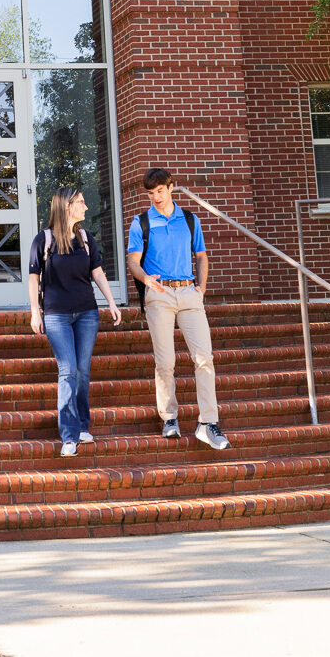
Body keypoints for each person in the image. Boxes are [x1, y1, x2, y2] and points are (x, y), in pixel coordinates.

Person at [125, 168, 228, 450]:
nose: (156, 197)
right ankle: (169, 417)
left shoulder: (190, 220)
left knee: (204, 357)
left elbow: (202, 257)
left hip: (189, 293)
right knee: (165, 361)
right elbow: (133, 261)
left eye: (160, 191)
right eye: (150, 193)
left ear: (172, 188)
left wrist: (202, 289)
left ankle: (208, 422)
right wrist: (145, 278)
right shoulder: (141, 222)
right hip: (159, 294)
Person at [27, 187, 124, 458]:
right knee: (67, 370)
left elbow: (98, 273)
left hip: (86, 313)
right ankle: (69, 435)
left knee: (82, 371)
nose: (85, 207)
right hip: (56, 314)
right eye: (81, 202)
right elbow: (34, 278)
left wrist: (112, 302)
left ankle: (82, 425)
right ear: (67, 206)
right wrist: (35, 311)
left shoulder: (85, 238)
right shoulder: (43, 240)